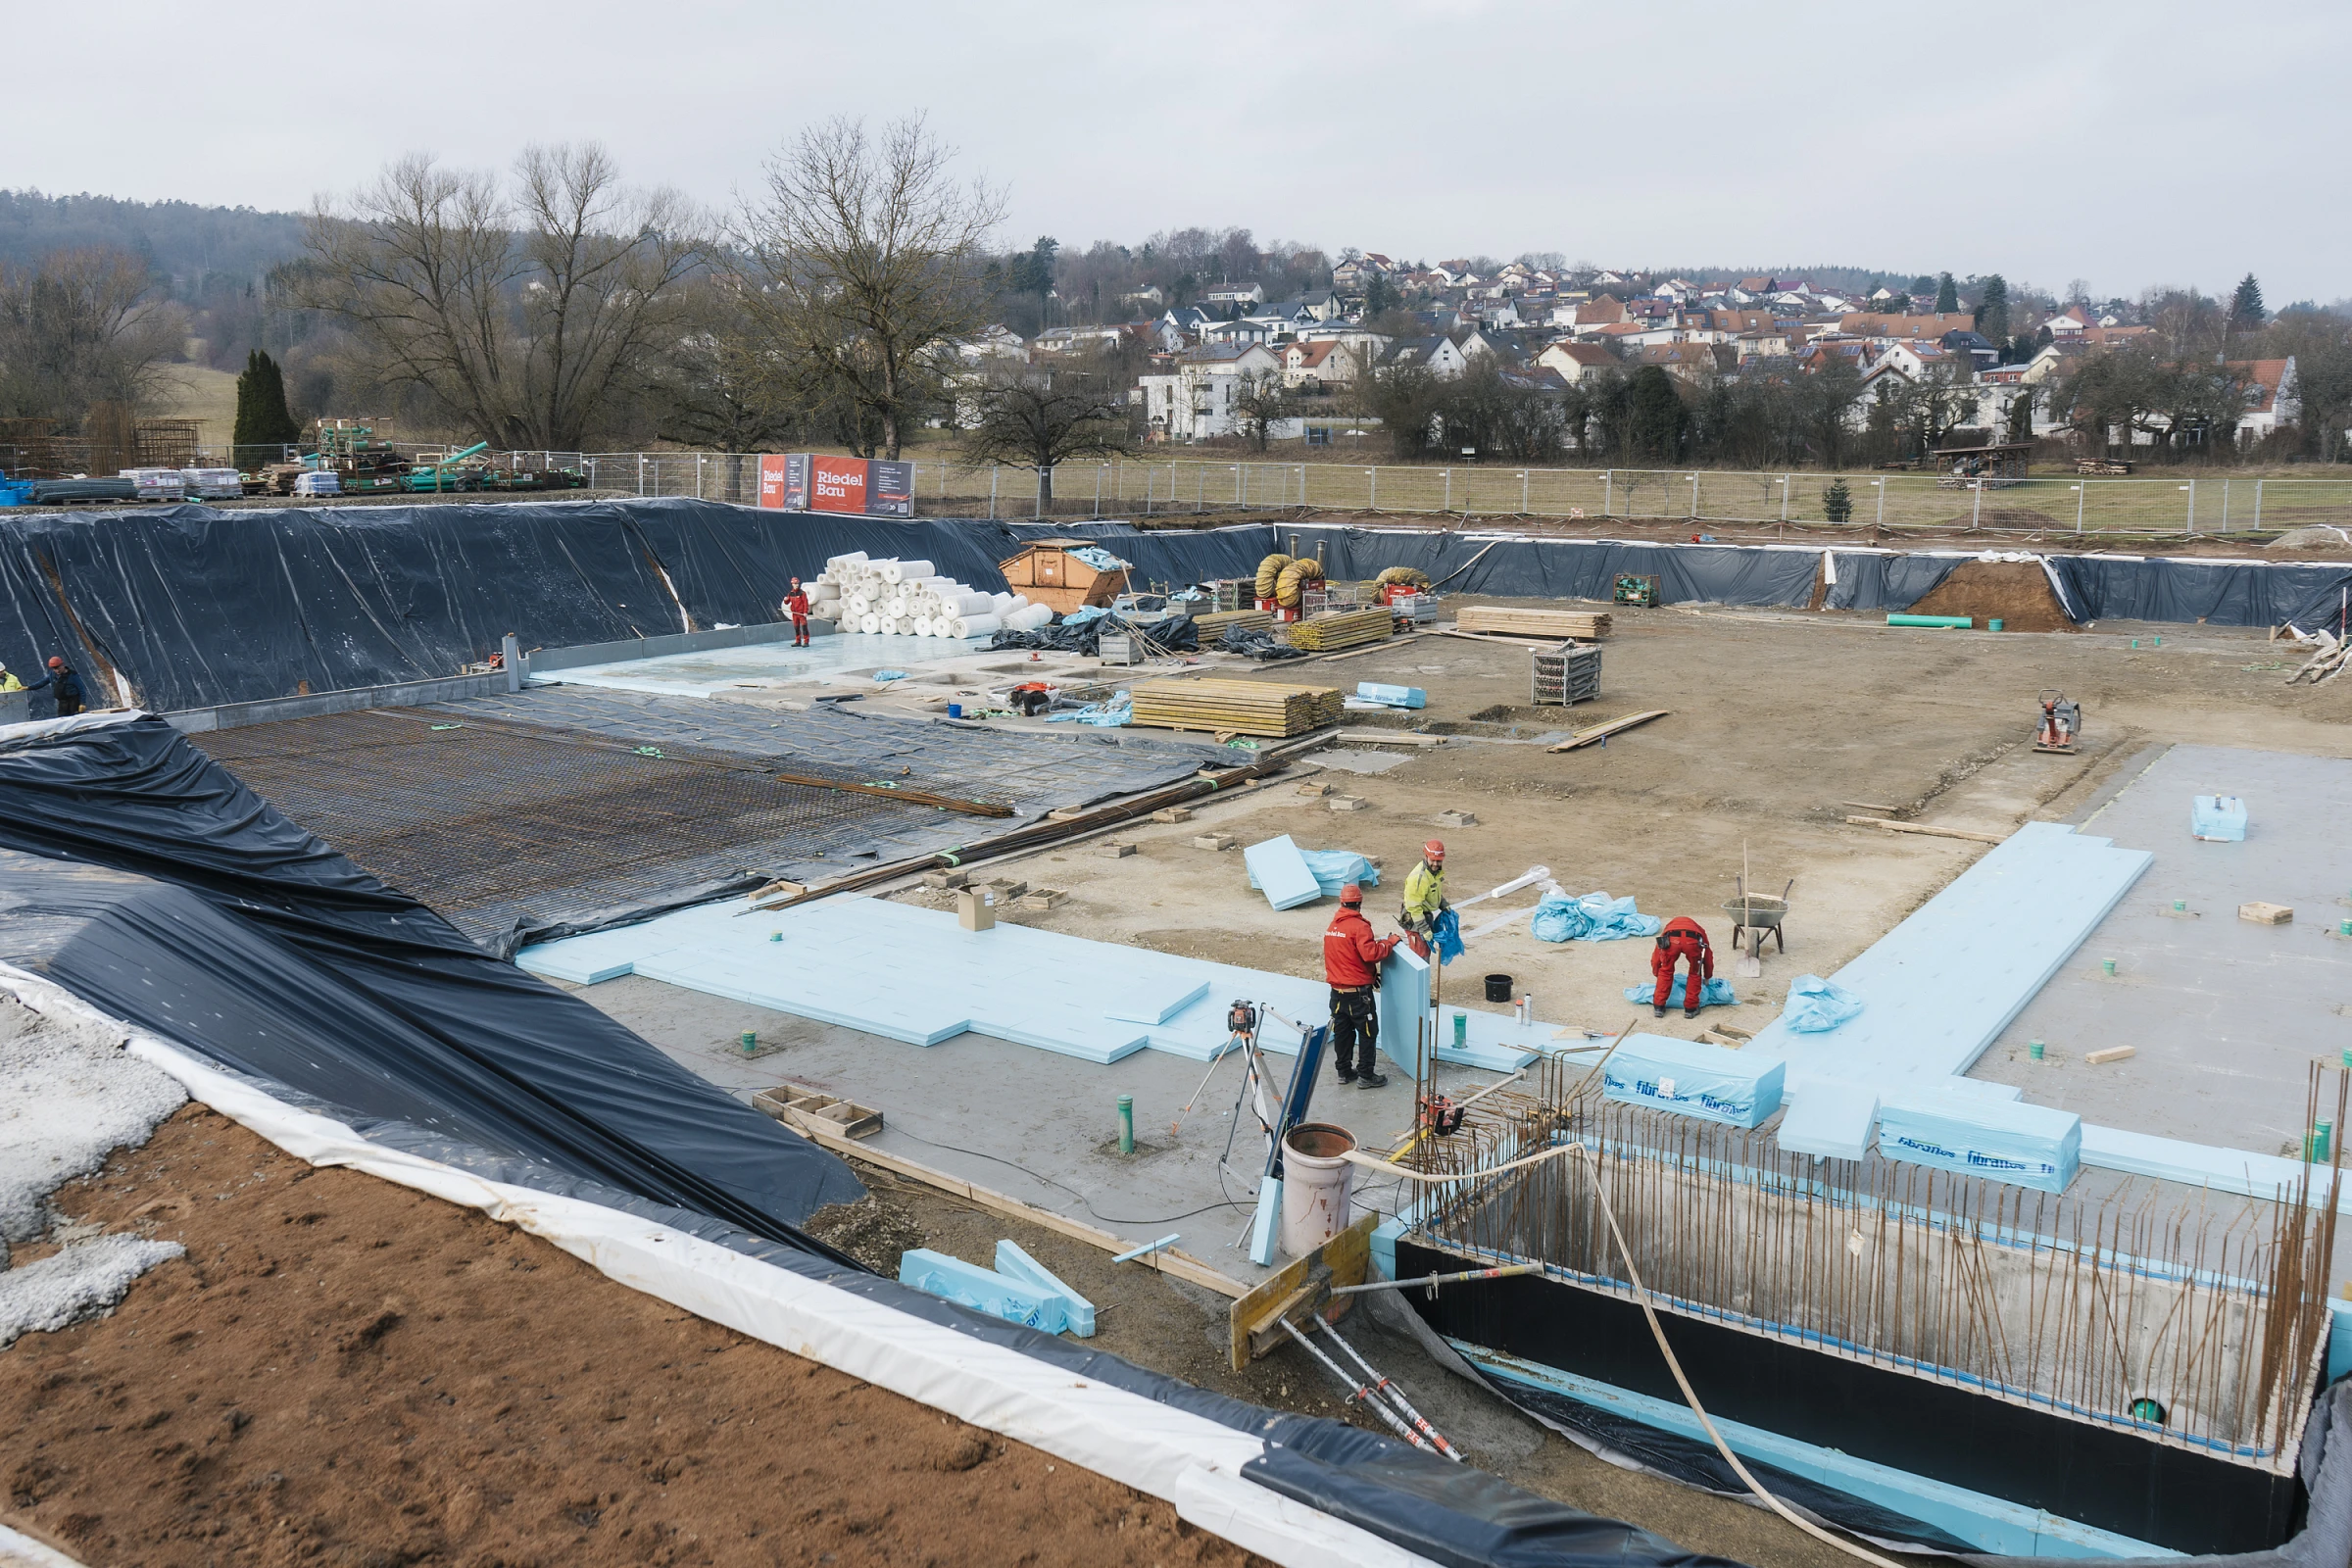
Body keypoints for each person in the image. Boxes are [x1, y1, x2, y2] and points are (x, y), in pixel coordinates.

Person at [1323, 883, 1397, 1088]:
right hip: (1358, 996)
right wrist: (1389, 943)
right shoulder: (1359, 927)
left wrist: (1368, 975)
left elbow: (1345, 959)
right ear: (1360, 903)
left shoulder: (1333, 927)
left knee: (1343, 1033)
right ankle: (1366, 1074)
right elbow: (1370, 954)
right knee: (1367, 1032)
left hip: (1337, 993)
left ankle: (1344, 1072)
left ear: (1342, 902)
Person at [1651, 916, 1713, 1019]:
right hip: (1692, 940)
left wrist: (1657, 972)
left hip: (1672, 940)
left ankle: (1659, 1007)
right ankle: (1690, 1009)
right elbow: (1707, 957)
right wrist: (1707, 976)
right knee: (1695, 972)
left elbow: (1656, 957)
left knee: (1666, 970)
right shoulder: (1699, 930)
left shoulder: (1668, 929)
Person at [1399, 839, 1448, 958]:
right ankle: (1417, 978)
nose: (1436, 864)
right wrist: (1424, 929)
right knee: (1419, 957)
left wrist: (1443, 903)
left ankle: (1422, 977)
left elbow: (1433, 891)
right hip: (1415, 920)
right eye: (1433, 860)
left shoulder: (1433, 873)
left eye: (1439, 861)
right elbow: (1414, 908)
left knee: (1425, 952)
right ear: (1426, 856)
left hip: (1425, 916)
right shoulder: (1418, 878)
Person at [784, 578, 812, 648]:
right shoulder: (790, 593)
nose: (796, 585)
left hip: (801, 614)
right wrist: (785, 600)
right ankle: (798, 641)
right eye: (794, 584)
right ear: (792, 584)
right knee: (796, 628)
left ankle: (806, 641)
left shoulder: (802, 593)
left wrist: (805, 612)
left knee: (804, 627)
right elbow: (787, 602)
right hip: (794, 614)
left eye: (797, 583)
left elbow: (805, 603)